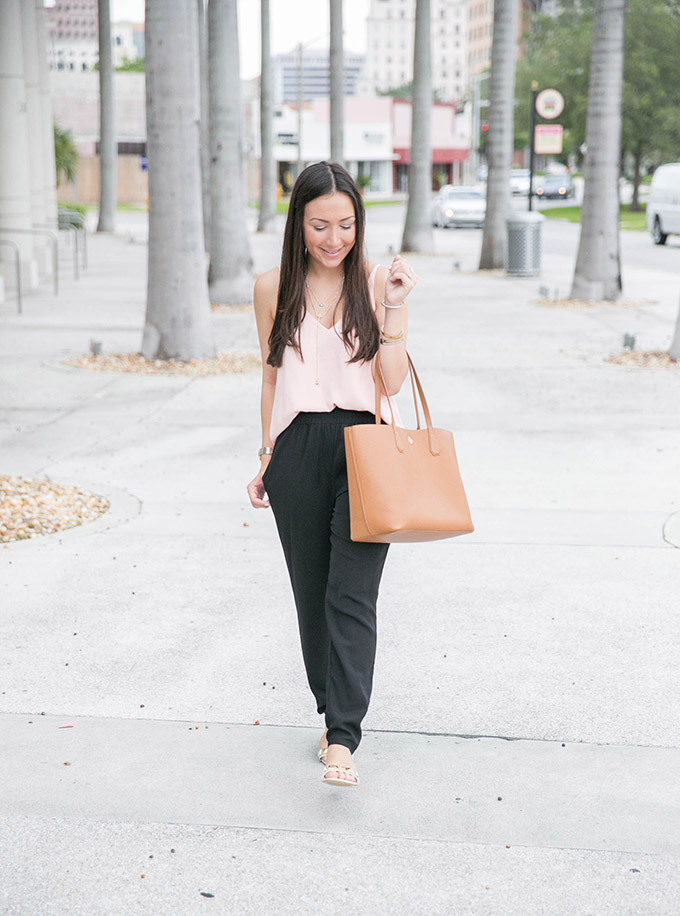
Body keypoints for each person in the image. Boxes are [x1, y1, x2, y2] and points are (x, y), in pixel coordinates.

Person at [246, 161, 417, 787]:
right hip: (297, 449)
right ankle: (330, 709)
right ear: (299, 224)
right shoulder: (272, 288)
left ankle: (344, 734)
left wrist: (394, 309)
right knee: (312, 595)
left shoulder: (377, 284)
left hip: (366, 446)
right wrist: (266, 453)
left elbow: (393, 380)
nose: (334, 238)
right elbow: (270, 377)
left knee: (352, 593)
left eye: (345, 225)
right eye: (321, 225)